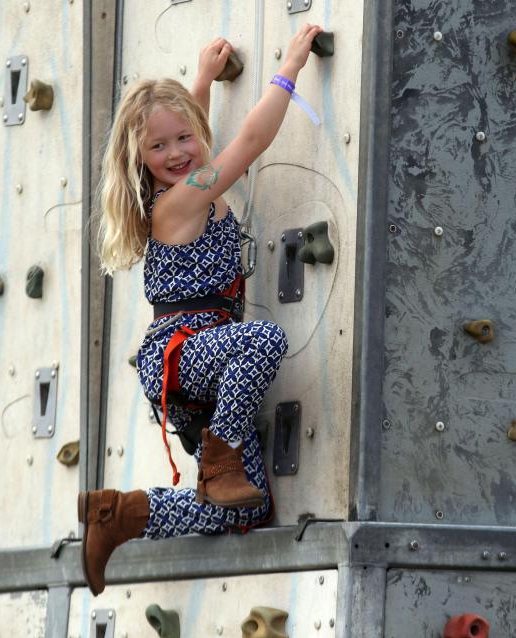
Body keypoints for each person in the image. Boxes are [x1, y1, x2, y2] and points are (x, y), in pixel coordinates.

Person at [79, 23, 324, 596]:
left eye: (182, 139)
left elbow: (193, 136)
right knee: (261, 340)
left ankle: (121, 516)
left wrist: (204, 81)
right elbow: (249, 145)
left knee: (246, 510)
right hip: (183, 353)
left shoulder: (186, 179)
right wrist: (287, 69)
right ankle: (220, 460)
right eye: (157, 148)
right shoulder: (180, 202)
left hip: (204, 367)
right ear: (138, 159)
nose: (176, 154)